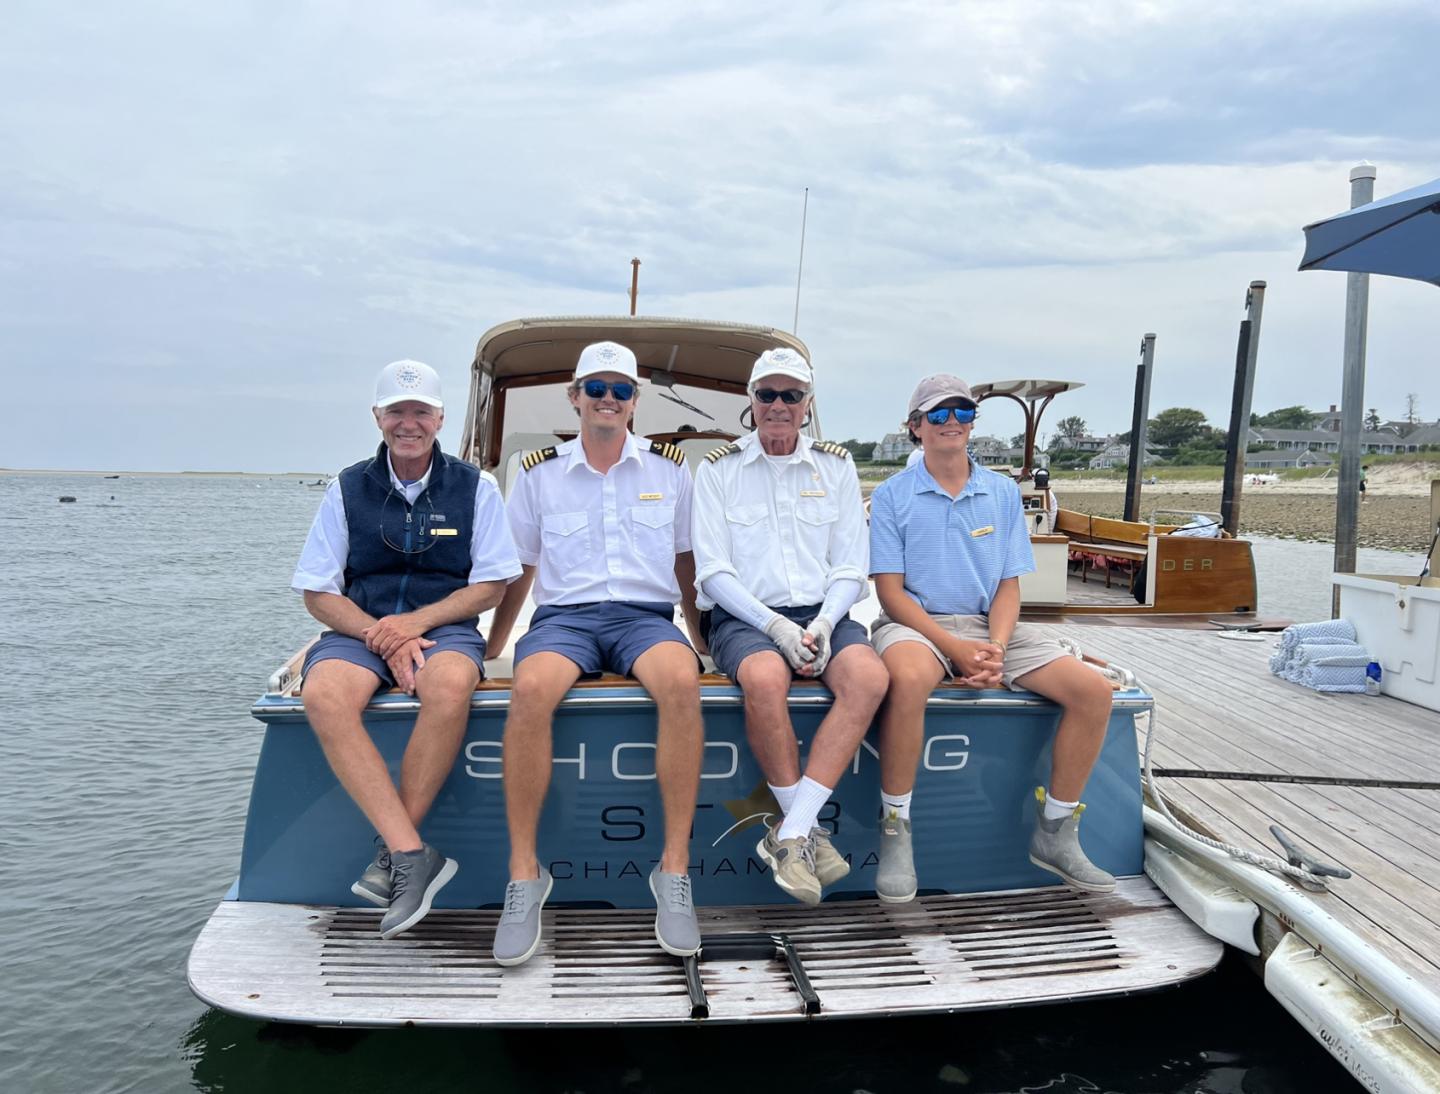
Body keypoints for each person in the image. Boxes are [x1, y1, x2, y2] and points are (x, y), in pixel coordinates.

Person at [485, 341, 706, 966]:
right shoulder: (536, 475)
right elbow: (519, 571)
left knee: (683, 681)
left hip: (644, 619)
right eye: (597, 387)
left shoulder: (670, 472)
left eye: (622, 389)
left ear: (636, 402)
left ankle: (674, 872)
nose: (609, 399)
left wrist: (704, 640)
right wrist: (493, 648)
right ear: (575, 395)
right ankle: (525, 875)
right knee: (529, 689)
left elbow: (686, 567)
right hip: (565, 622)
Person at [292, 360, 522, 938]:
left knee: (447, 685)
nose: (408, 423)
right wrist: (381, 633)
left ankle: (393, 859)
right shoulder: (347, 488)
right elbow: (318, 592)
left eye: (420, 412)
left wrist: (413, 624)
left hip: (444, 625)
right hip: (359, 624)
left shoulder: (477, 487)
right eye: (396, 411)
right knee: (322, 694)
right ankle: (411, 852)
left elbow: (493, 583)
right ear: (377, 417)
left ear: (441, 418)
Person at [868, 374, 1117, 902]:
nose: (951, 422)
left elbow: (1009, 586)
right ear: (915, 428)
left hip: (991, 626)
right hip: (917, 623)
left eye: (961, 412)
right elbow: (890, 594)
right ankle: (896, 827)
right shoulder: (892, 496)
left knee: (1094, 692)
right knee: (910, 680)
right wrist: (956, 650)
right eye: (937, 414)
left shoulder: (1002, 491)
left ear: (973, 424)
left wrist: (996, 649)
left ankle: (1054, 831)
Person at [691, 348, 888, 905]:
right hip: (745, 616)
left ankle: (793, 831)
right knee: (764, 678)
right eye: (767, 395)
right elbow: (714, 571)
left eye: (791, 395)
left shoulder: (838, 465)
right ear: (750, 402)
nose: (779, 406)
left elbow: (851, 564)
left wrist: (824, 624)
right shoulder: (718, 470)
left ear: (808, 404)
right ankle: (803, 831)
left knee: (869, 680)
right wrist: (775, 627)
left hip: (825, 613)